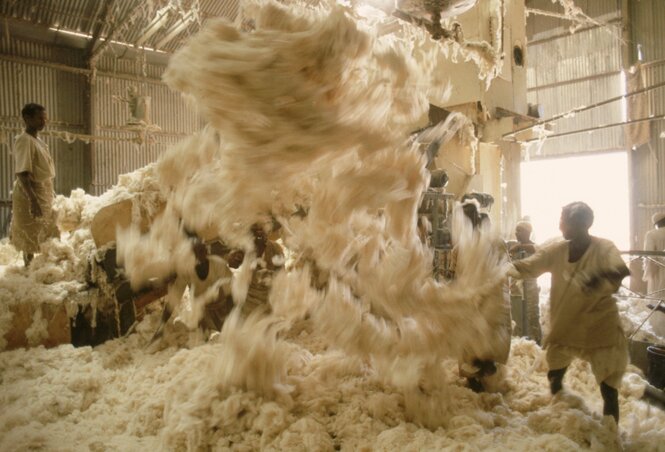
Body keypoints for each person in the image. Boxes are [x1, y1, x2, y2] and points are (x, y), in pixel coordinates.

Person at [509, 202, 629, 422]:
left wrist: (593, 281)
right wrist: (505, 268)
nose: (560, 223)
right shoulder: (558, 250)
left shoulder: (604, 248)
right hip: (567, 327)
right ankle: (561, 416)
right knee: (555, 374)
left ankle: (610, 435)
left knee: (608, 390)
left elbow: (618, 272)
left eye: (563, 219)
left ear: (581, 224)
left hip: (599, 330)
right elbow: (530, 265)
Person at [453, 200, 512, 393]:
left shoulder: (493, 240)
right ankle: (474, 380)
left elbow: (504, 267)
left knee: (485, 337)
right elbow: (459, 271)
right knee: (469, 339)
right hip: (470, 296)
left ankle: (485, 372)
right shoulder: (463, 243)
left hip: (491, 296)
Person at [10, 103, 59, 266]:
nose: (43, 121)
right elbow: (23, 173)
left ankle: (38, 268)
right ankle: (28, 268)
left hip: (42, 191)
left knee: (44, 231)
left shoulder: (37, 140)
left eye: (45, 118)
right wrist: (33, 200)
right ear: (27, 119)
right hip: (31, 192)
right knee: (30, 234)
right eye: (39, 118)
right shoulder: (24, 140)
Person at [509, 221, 542, 343]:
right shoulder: (512, 247)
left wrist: (520, 247)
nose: (516, 233)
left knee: (532, 317)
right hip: (516, 289)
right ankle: (519, 346)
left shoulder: (535, 247)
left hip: (530, 288)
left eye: (519, 230)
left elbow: (538, 250)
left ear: (528, 232)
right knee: (517, 319)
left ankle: (536, 344)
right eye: (516, 230)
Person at [643, 212, 665, 336]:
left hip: (659, 271)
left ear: (657, 223)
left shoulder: (652, 234)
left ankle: (659, 333)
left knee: (657, 298)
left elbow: (648, 256)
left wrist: (648, 273)